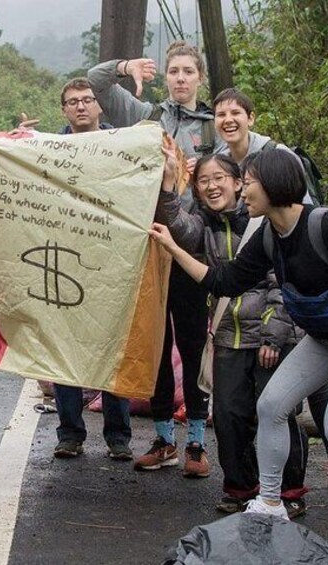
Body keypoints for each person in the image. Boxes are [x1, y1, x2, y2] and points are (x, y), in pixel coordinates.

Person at [149, 147, 328, 538]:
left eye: (248, 184)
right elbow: (225, 281)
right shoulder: (269, 234)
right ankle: (269, 502)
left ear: (274, 185)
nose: (242, 192)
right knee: (272, 405)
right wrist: (174, 249)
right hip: (323, 336)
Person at [212, 87, 328, 497]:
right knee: (271, 403)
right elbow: (227, 273)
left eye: (235, 113)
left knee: (318, 395)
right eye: (220, 113)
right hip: (269, 302)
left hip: (306, 301)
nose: (227, 120)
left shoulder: (276, 162)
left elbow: (300, 230)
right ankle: (269, 492)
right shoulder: (220, 165)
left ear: (251, 117)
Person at [88, 40, 223, 475]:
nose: (180, 78)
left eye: (188, 71)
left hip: (190, 250)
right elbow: (96, 82)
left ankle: (197, 444)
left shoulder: (213, 129)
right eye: (173, 71)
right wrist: (127, 66)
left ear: (200, 78)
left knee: (193, 342)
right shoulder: (145, 115)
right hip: (144, 251)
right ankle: (164, 438)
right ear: (164, 76)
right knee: (156, 346)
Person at [157, 152, 310, 517]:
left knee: (279, 414)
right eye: (204, 181)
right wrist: (168, 184)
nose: (211, 186)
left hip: (269, 335)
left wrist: (273, 336)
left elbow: (282, 282)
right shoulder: (203, 225)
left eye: (219, 178)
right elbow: (179, 226)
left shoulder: (261, 223)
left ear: (239, 183)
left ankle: (290, 492)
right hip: (228, 334)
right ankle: (241, 487)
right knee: (228, 416)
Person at [49, 78, 133, 461]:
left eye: (87, 100)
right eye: (73, 102)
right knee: (65, 345)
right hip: (65, 257)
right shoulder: (49, 150)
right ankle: (70, 432)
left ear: (100, 106)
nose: (81, 106)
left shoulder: (123, 146)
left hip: (113, 259)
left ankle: (118, 435)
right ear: (64, 109)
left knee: (114, 345)